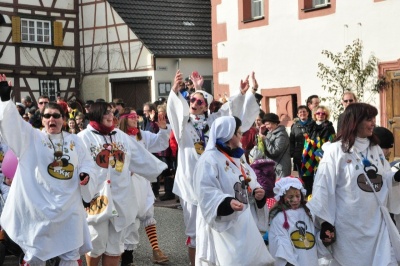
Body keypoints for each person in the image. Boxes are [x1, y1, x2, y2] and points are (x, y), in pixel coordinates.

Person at [0, 74, 96, 266]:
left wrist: (85, 175)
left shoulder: (75, 141)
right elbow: (13, 126)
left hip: (69, 209)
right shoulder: (32, 138)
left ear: (62, 118)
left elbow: (86, 163)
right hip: (40, 209)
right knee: (36, 256)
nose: (51, 119)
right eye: (47, 116)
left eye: (56, 115)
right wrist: (4, 100)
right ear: (42, 119)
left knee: (70, 255)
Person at [167, 70, 260, 265]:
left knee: (216, 228)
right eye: (191, 99)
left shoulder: (212, 123)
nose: (194, 103)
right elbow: (176, 112)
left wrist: (244, 93)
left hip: (215, 183)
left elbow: (229, 114)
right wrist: (175, 92)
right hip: (191, 185)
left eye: (199, 102)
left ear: (206, 106)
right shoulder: (183, 125)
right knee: (194, 232)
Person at [307, 103, 400, 266]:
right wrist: (325, 222)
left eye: (374, 119)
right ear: (355, 122)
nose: (373, 123)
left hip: (375, 222)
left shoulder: (375, 149)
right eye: (369, 119)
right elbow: (324, 186)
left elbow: (383, 179)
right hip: (348, 225)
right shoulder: (336, 150)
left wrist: (397, 177)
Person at [77, 102, 167, 266]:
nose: (111, 116)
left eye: (112, 113)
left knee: (115, 246)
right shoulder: (83, 137)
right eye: (106, 113)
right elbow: (77, 165)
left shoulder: (120, 135)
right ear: (96, 114)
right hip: (96, 199)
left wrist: (158, 169)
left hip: (121, 198)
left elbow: (139, 156)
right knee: (96, 242)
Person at [192, 116, 274, 266]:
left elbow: (249, 177)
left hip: (243, 220)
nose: (242, 135)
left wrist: (258, 192)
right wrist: (226, 202)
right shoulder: (209, 159)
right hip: (223, 224)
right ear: (229, 135)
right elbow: (205, 191)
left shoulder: (238, 156)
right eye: (239, 132)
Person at [118, 107, 170, 265]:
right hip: (127, 183)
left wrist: (163, 129)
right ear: (124, 119)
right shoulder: (118, 137)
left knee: (148, 213)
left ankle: (156, 249)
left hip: (143, 181)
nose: (135, 119)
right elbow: (116, 162)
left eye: (136, 116)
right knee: (129, 219)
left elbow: (161, 143)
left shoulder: (142, 135)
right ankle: (127, 257)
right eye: (132, 116)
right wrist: (125, 172)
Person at [269, 176, 320, 266]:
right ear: (282, 197)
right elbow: (281, 243)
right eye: (291, 197)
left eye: (297, 196)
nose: (295, 200)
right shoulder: (279, 218)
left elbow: (316, 233)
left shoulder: (308, 213)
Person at [301, 105, 335, 196]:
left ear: (326, 115)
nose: (321, 115)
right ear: (315, 115)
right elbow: (306, 142)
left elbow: (332, 141)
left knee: (322, 176)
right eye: (318, 113)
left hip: (322, 153)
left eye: (323, 113)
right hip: (309, 155)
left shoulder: (329, 127)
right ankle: (309, 197)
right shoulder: (310, 126)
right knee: (308, 177)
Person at [260, 113, 291, 178]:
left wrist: (265, 139)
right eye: (265, 125)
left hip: (280, 169)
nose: (267, 127)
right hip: (272, 168)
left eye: (268, 124)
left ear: (275, 123)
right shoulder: (269, 133)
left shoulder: (281, 135)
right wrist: (261, 133)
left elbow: (275, 151)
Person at [290, 105, 312, 174]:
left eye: (304, 112)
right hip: (298, 156)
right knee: (299, 176)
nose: (302, 113)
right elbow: (291, 141)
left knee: (309, 176)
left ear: (308, 113)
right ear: (298, 114)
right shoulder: (294, 126)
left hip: (310, 155)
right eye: (300, 112)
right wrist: (292, 153)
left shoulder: (313, 124)